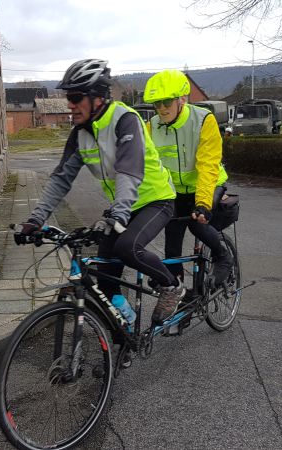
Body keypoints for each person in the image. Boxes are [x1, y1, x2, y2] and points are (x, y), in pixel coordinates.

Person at [12, 59, 186, 325]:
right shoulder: (81, 133)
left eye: (75, 96)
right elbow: (61, 179)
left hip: (155, 200)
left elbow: (129, 170)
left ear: (97, 98)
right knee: (105, 279)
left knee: (127, 247)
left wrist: (117, 216)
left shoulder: (125, 120)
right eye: (68, 97)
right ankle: (125, 334)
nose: (70, 104)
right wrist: (36, 219)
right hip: (122, 206)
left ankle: (172, 286)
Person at [142, 70, 233, 287]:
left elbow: (207, 165)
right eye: (156, 104)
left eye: (166, 102)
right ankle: (176, 287)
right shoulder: (151, 127)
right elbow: (146, 169)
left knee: (196, 222)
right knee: (171, 236)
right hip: (175, 191)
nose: (161, 108)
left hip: (207, 184)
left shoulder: (202, 120)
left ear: (181, 99)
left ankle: (223, 256)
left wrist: (202, 204)